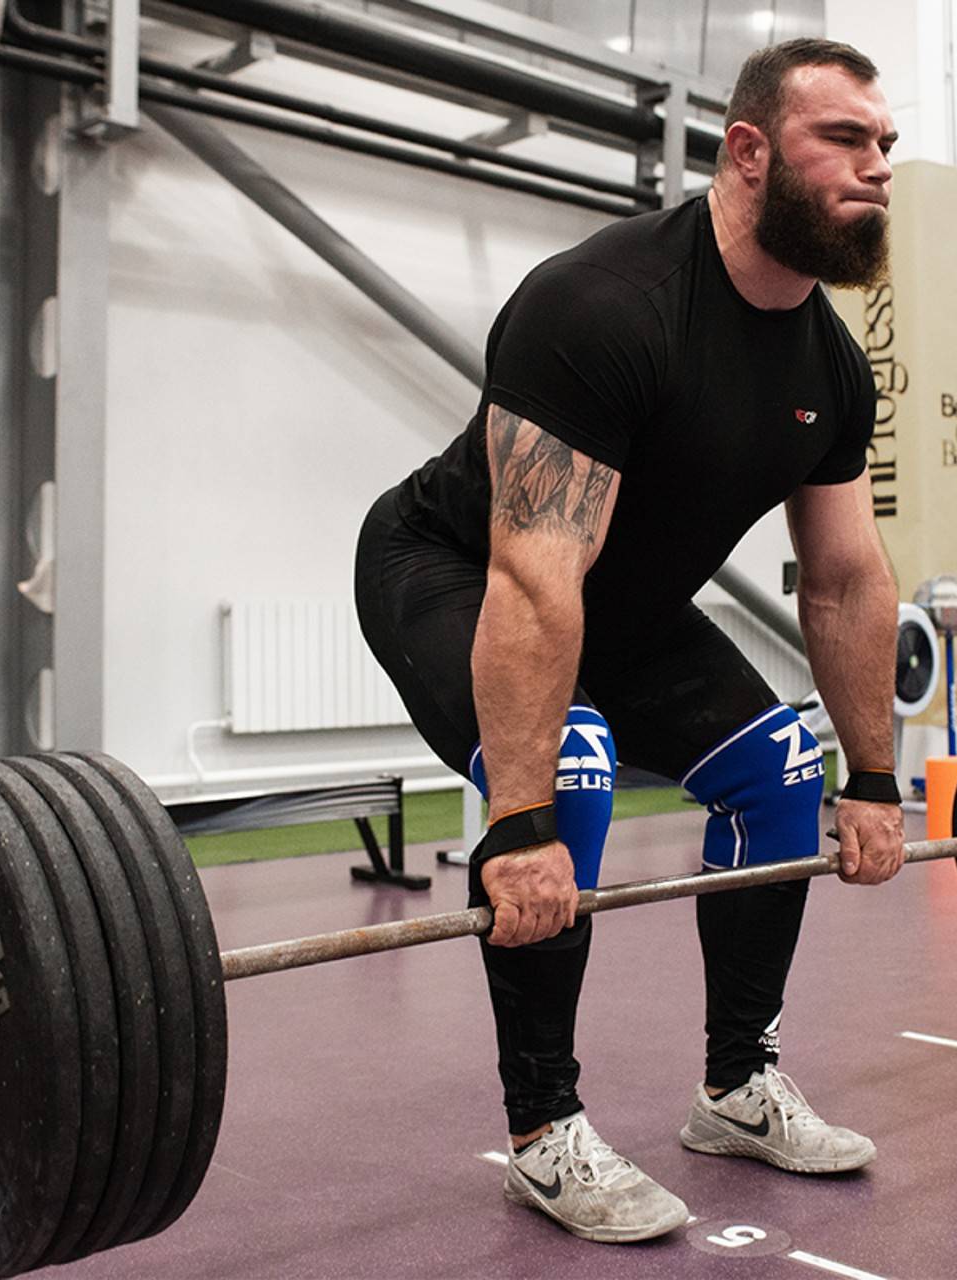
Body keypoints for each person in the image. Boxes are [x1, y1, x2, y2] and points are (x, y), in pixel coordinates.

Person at [355, 37, 905, 1244]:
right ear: (748, 151)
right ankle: (546, 1128)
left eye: (884, 144)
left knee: (783, 769)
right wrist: (518, 825)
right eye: (844, 140)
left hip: (628, 606)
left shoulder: (830, 365)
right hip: (455, 567)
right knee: (574, 767)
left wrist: (873, 776)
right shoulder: (603, 305)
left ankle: (736, 1087)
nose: (876, 168)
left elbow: (847, 577)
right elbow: (534, 576)